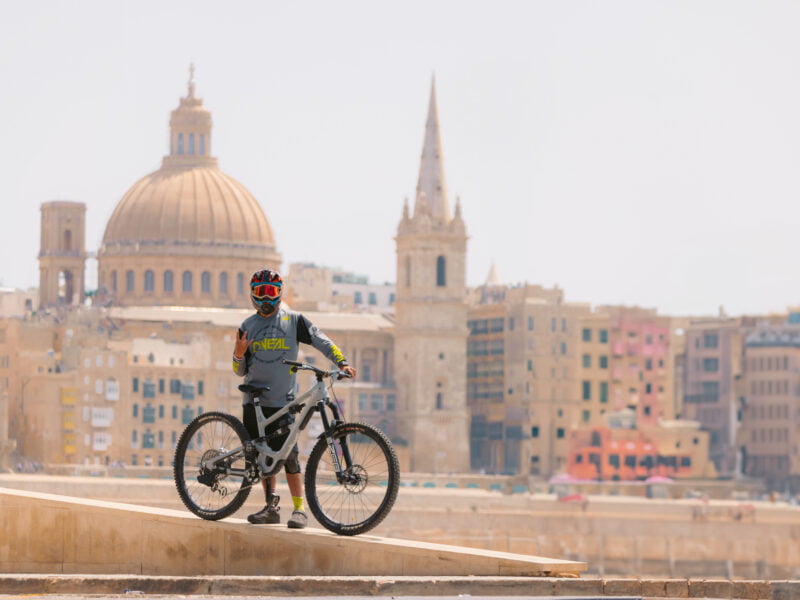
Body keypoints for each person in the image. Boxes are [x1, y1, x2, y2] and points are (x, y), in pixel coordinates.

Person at [232, 269, 356, 529]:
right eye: (261, 292)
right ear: (253, 294)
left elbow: (320, 340)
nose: (266, 298)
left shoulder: (294, 321)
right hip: (254, 402)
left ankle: (299, 510)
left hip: (282, 401)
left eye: (272, 292)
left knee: (289, 457)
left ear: (280, 293)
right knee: (265, 460)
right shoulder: (247, 326)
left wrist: (341, 361)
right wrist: (239, 353)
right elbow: (239, 371)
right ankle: (271, 508)